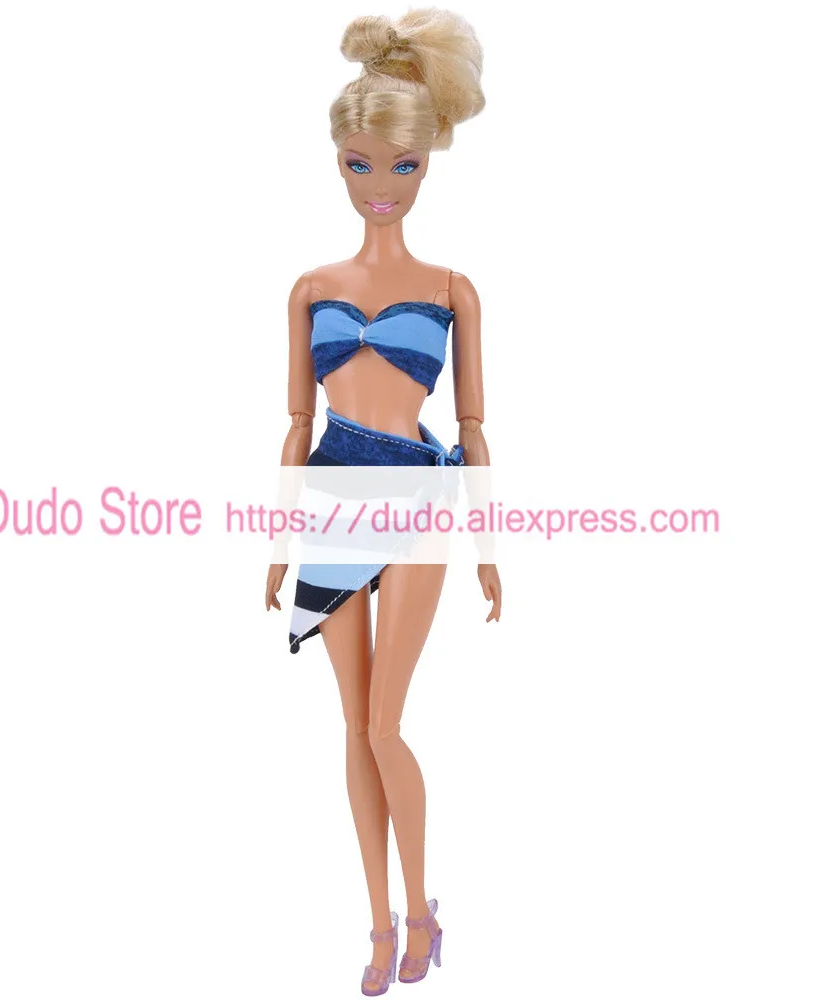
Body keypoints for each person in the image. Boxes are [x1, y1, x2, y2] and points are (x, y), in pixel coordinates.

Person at [264, 8, 502, 993]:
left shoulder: (451, 287)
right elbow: (293, 423)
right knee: (349, 727)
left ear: (426, 164)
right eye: (360, 164)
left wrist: (489, 548)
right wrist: (277, 545)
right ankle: (374, 923)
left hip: (417, 495)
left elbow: (476, 425)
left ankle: (421, 908)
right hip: (330, 497)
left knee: (382, 724)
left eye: (401, 165)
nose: (381, 184)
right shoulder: (309, 286)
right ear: (339, 162)